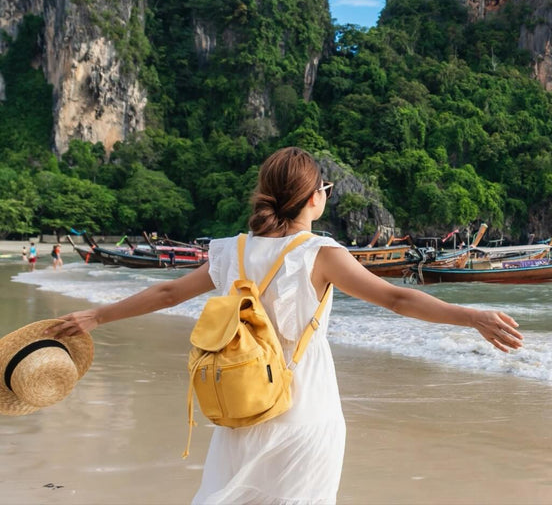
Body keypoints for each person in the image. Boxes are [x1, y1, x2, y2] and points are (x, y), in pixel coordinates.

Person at [49, 146, 523, 504]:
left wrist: (95, 316)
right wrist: (472, 316)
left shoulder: (230, 250)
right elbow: (396, 298)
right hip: (304, 410)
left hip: (240, 405)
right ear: (315, 198)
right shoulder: (320, 254)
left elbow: (168, 293)